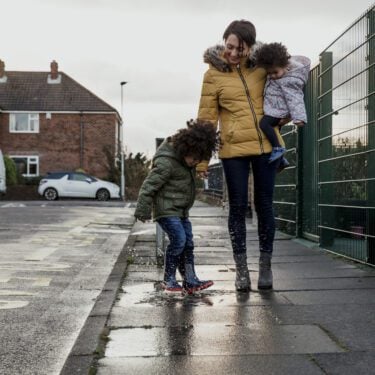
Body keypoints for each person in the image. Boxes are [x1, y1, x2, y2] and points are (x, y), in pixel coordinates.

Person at [197, 20, 287, 291]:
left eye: (241, 49)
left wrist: (283, 118)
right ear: (224, 43)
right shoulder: (213, 75)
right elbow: (206, 119)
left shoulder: (262, 65)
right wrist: (202, 160)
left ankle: (266, 268)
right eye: (230, 47)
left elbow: (288, 87)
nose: (234, 54)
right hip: (233, 150)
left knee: (265, 206)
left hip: (265, 147)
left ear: (251, 47)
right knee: (237, 208)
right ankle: (241, 271)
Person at [134, 120, 217, 294]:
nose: (195, 162)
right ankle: (169, 279)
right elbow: (148, 186)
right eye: (194, 158)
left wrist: (201, 172)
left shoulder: (186, 162)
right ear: (184, 149)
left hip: (181, 211)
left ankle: (190, 280)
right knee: (179, 240)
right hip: (166, 210)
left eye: (198, 159)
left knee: (188, 244)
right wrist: (142, 209)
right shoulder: (167, 162)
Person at [255, 42, 311, 164]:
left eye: (275, 72)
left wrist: (299, 118)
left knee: (264, 124)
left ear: (286, 66)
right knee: (275, 132)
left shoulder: (290, 80)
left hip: (278, 110)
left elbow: (295, 99)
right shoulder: (281, 73)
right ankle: (281, 160)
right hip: (275, 108)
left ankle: (278, 148)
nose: (272, 76)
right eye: (269, 73)